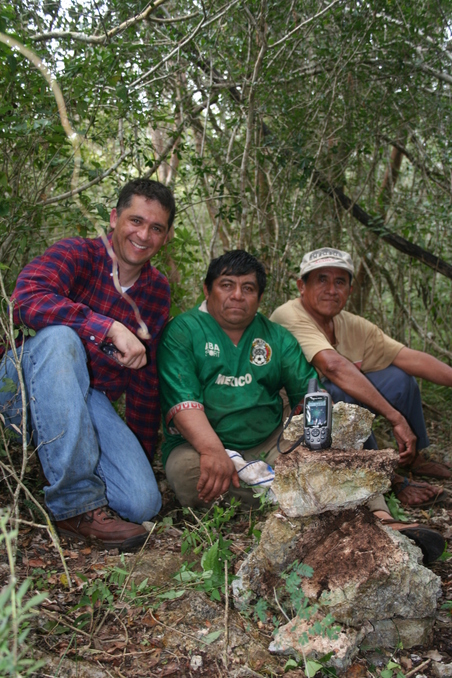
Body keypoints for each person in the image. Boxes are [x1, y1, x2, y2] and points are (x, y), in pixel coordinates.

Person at [0, 178, 175, 550]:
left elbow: (144, 384)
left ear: (165, 236)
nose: (143, 235)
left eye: (156, 228)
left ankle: (80, 478)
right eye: (136, 221)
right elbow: (24, 299)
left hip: (86, 399)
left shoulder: (157, 291)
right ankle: (74, 505)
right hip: (20, 388)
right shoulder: (78, 254)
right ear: (114, 218)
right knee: (62, 339)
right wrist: (108, 327)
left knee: (143, 501)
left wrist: (136, 455)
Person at [270, 247, 452, 510]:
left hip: (330, 403)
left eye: (340, 282)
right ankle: (387, 478)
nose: (331, 289)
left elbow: (408, 357)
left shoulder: (351, 324)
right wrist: (395, 417)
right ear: (301, 285)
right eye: (321, 279)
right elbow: (333, 367)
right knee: (337, 395)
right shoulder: (288, 315)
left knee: (400, 379)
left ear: (350, 291)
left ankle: (413, 457)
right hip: (292, 418)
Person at [157, 250, 318, 507]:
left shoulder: (277, 337)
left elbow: (309, 395)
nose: (237, 296)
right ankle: (290, 497)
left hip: (270, 440)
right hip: (198, 446)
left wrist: (315, 446)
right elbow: (182, 404)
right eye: (226, 285)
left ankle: (277, 493)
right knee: (188, 476)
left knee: (324, 458)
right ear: (207, 290)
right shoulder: (183, 331)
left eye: (248, 288)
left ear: (260, 297)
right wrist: (212, 450)